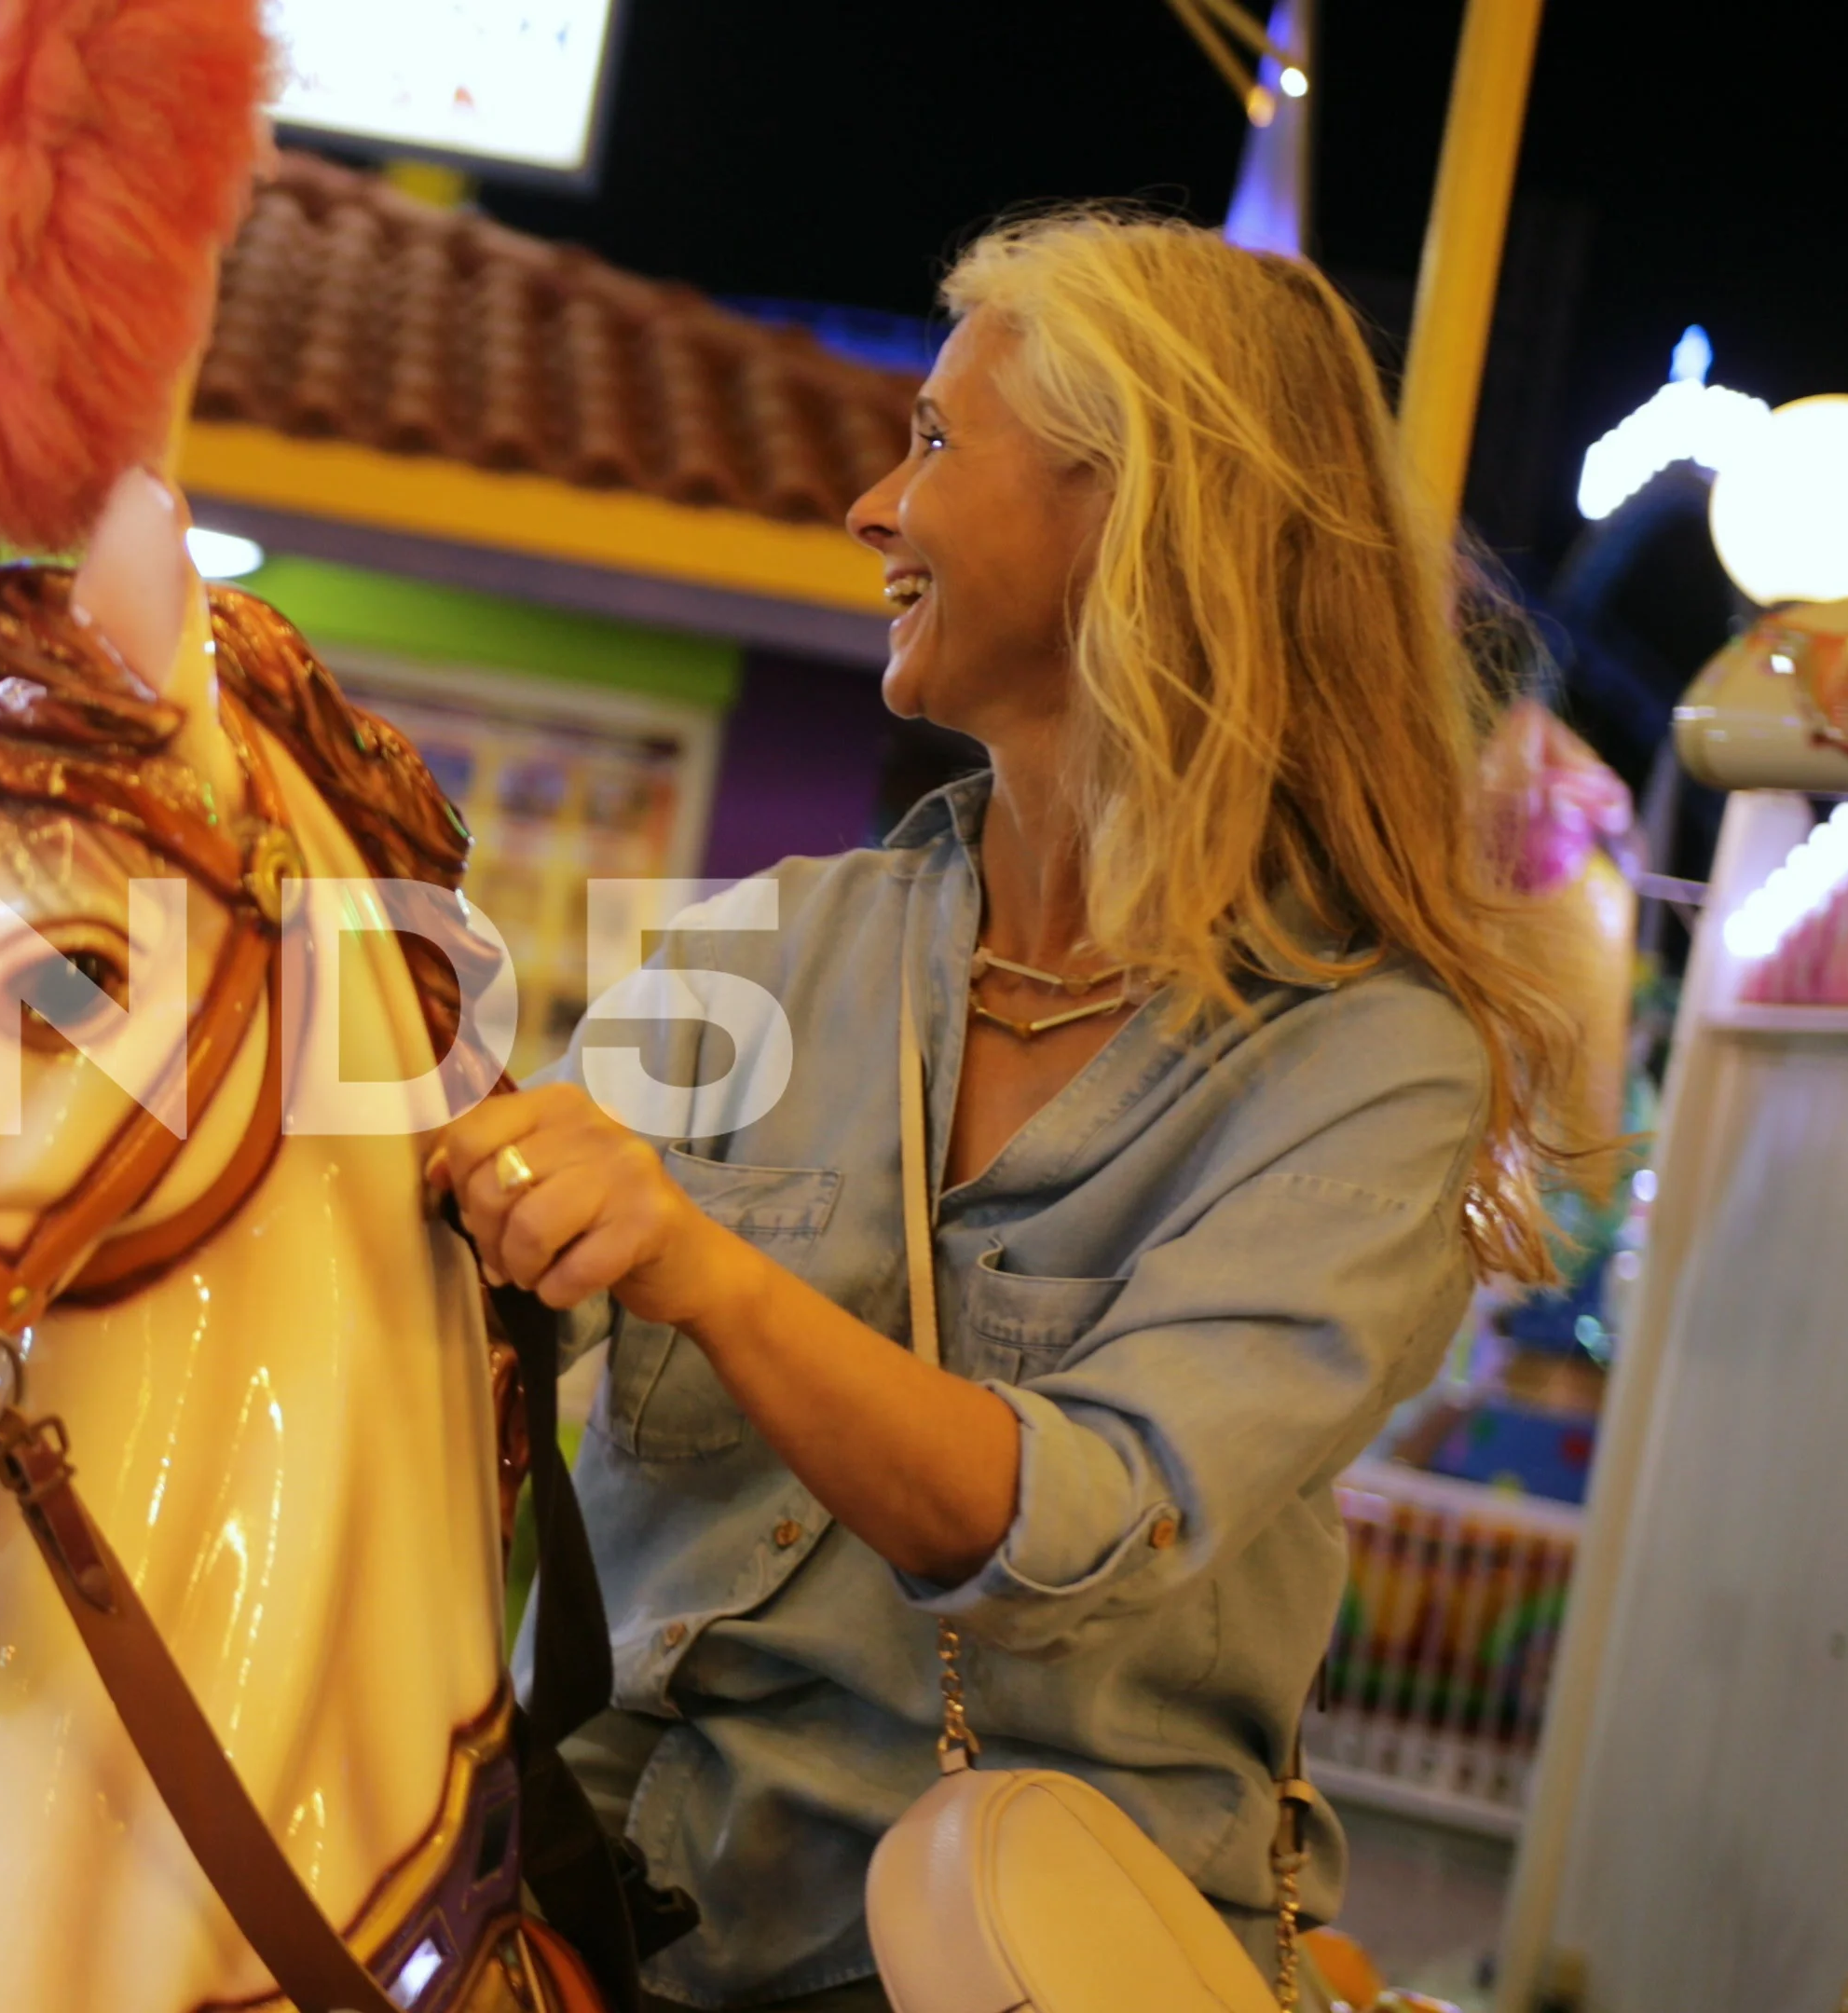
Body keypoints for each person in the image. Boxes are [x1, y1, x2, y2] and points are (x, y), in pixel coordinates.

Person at [433, 211, 1579, 2012]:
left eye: (937, 444)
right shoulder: (770, 944)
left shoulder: (1367, 1066)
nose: (874, 511)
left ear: (1140, 512)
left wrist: (703, 1270)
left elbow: (1073, 1533)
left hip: (1004, 1955)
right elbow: (454, 1301)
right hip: (593, 1894)